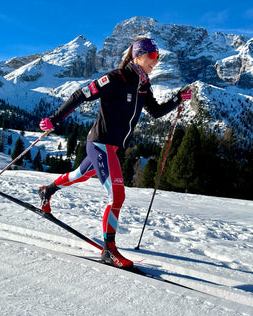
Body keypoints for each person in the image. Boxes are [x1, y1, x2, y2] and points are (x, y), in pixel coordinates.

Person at [38, 37, 192, 268]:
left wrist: (177, 99)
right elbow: (80, 95)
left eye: (158, 57)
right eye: (152, 56)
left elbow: (156, 111)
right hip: (101, 143)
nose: (156, 61)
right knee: (117, 196)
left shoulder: (143, 85)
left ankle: (46, 190)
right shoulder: (114, 78)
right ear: (137, 56)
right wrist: (54, 119)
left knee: (80, 174)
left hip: (112, 147)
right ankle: (109, 251)